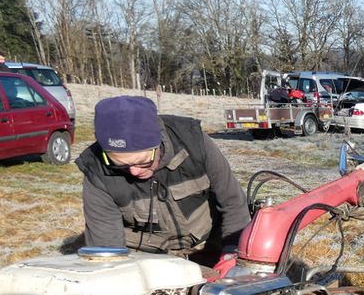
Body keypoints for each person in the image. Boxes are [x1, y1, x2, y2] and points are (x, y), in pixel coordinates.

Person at [76, 95, 251, 266]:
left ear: (158, 142)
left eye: (144, 162)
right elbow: (107, 245)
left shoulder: (194, 141)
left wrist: (232, 252)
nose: (134, 171)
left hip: (208, 249)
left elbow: (233, 203)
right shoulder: (96, 169)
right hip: (145, 261)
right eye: (120, 165)